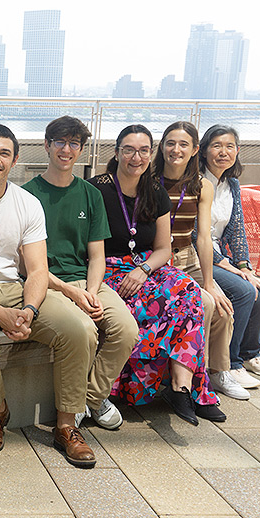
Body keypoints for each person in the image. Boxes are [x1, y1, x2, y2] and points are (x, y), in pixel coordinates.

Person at [0, 124, 98, 469]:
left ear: (14, 161)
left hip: (15, 288)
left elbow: (38, 270)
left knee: (78, 329)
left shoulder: (27, 204)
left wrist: (29, 309)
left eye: (4, 153)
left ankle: (66, 425)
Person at [88, 124, 224, 425]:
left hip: (146, 265)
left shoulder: (155, 191)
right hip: (108, 267)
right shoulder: (97, 188)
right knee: (150, 304)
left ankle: (181, 387)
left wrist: (143, 269)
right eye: (128, 150)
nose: (136, 157)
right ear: (117, 152)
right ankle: (141, 387)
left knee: (190, 292)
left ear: (151, 154)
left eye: (143, 151)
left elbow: (163, 248)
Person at [22, 116, 138, 430]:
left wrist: (91, 291)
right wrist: (71, 292)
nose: (66, 149)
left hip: (85, 280)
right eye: (60, 142)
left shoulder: (91, 194)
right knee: (85, 329)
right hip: (46, 283)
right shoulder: (27, 195)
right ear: (47, 145)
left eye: (74, 143)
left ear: (82, 150)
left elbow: (97, 256)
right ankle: (75, 407)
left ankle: (89, 400)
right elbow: (28, 266)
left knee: (126, 329)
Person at [153, 121, 245, 402]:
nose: (176, 150)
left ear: (194, 150)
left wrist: (209, 282)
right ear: (162, 147)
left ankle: (218, 372)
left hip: (188, 255)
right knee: (203, 305)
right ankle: (193, 379)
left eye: (184, 144)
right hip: (159, 259)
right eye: (170, 143)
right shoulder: (150, 180)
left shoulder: (201, 185)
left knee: (223, 308)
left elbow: (203, 238)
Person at [199, 124, 260, 387]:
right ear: (204, 150)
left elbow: (238, 231)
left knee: (259, 290)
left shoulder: (231, 184)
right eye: (217, 146)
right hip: (201, 256)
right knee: (244, 290)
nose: (223, 152)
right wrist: (229, 267)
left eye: (229, 146)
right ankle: (230, 364)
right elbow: (197, 234)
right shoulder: (197, 182)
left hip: (222, 255)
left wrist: (244, 266)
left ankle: (250, 354)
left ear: (237, 151)